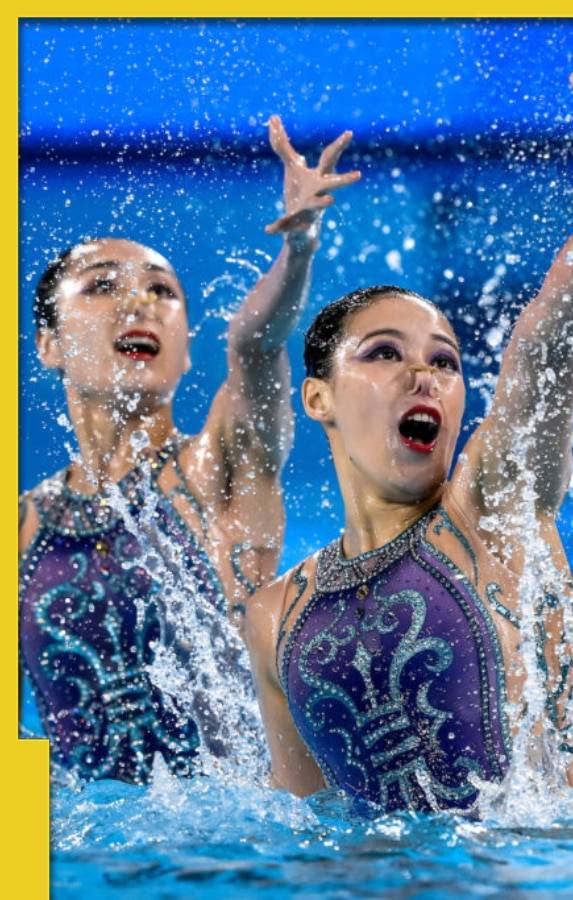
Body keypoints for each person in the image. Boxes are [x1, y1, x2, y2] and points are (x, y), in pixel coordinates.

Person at [241, 42, 573, 814]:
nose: (425, 375)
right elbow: (305, 824)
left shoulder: (493, 509)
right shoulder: (276, 615)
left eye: (446, 363)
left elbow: (549, 334)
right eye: (384, 354)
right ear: (317, 399)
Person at [18, 117, 360, 783]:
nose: (139, 302)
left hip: (235, 855)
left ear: (182, 351)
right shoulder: (21, 528)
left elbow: (255, 349)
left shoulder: (221, 468)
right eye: (102, 286)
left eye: (162, 291)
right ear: (49, 345)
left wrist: (299, 252)